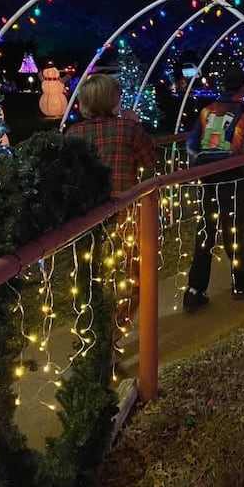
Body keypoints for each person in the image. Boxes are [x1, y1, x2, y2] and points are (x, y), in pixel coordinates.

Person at [66, 73, 156, 334]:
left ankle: (93, 335)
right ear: (112, 99)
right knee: (133, 279)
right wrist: (136, 123)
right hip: (125, 218)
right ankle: (113, 335)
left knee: (94, 279)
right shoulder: (127, 128)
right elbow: (150, 160)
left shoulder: (74, 134)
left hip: (88, 221)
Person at [183, 66, 244, 311]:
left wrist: (202, 161)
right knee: (235, 227)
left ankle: (194, 290)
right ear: (243, 86)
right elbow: (238, 145)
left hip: (208, 176)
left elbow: (191, 143)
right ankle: (241, 281)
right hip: (232, 175)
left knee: (206, 229)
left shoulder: (206, 111)